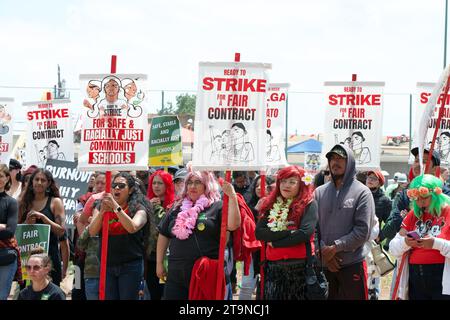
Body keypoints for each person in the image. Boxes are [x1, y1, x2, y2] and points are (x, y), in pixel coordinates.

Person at [156, 170, 241, 300]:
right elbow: (163, 234)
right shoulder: (176, 207)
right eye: (189, 182)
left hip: (205, 274)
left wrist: (232, 197)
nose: (192, 186)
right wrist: (159, 263)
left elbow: (233, 225)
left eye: (198, 182)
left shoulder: (217, 206)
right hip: (176, 274)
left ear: (207, 185)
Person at [314, 144, 374, 300]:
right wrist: (323, 253)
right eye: (332, 158)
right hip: (322, 266)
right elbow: (312, 228)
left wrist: (335, 247)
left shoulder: (362, 192)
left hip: (351, 265)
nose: (336, 162)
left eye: (341, 158)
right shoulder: (319, 192)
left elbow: (362, 231)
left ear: (351, 163)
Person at [254, 166, 317, 300]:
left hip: (300, 268)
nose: (286, 185)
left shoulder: (309, 204)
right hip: (274, 268)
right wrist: (289, 232)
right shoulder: (270, 203)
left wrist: (275, 243)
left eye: (292, 182)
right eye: (283, 181)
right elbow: (259, 233)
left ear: (301, 185)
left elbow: (305, 233)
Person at [88, 172, 151, 300]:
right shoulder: (101, 206)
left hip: (130, 266)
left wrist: (115, 207)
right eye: (114, 185)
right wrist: (102, 212)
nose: (117, 188)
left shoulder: (139, 208)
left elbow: (132, 227)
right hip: (107, 265)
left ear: (131, 190)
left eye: (121, 186)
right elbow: (92, 231)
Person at [389, 174, 450, 300]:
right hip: (415, 276)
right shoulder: (413, 214)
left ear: (436, 195)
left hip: (441, 276)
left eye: (424, 197)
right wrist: (406, 242)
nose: (420, 202)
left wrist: (435, 243)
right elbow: (393, 248)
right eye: (416, 198)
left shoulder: (448, 212)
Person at [19, 169, 66, 287]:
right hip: (28, 260)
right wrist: (26, 223)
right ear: (31, 182)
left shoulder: (55, 202)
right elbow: (16, 230)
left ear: (49, 183)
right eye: (36, 179)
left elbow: (61, 231)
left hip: (50, 258)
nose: (39, 183)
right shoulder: (23, 202)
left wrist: (44, 218)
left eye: (43, 180)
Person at [239, 175, 274, 300]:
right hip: (252, 250)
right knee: (246, 285)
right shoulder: (250, 204)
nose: (259, 188)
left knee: (268, 285)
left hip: (270, 250)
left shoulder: (277, 204)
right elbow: (247, 226)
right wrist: (256, 210)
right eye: (257, 185)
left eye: (263, 185)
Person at [145, 170, 175, 300]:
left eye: (160, 183)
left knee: (167, 292)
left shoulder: (174, 204)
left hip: (168, 257)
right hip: (151, 257)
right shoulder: (147, 203)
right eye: (154, 183)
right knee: (153, 293)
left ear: (167, 185)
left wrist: (156, 209)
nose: (156, 186)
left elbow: (164, 227)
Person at [365, 170, 392, 300]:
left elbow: (390, 222)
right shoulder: (360, 194)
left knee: (373, 274)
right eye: (368, 177)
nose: (369, 180)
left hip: (373, 243)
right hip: (357, 241)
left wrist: (381, 235)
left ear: (380, 183)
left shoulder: (384, 200)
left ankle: (374, 295)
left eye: (374, 178)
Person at [0, 164, 22, 300]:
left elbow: (10, 231)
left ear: (8, 178)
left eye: (1, 176)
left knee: (2, 296)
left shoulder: (11, 202)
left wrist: (5, 227)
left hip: (6, 255)